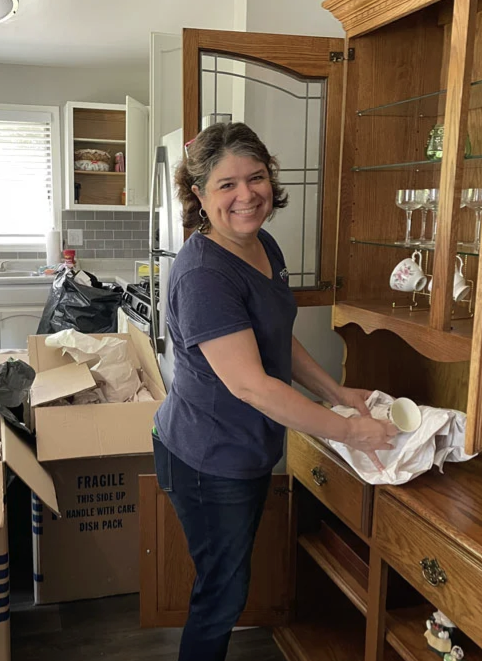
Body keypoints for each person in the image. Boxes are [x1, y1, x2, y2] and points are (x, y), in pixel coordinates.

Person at [153, 122, 397, 661]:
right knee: (222, 594)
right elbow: (250, 384)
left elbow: (273, 340)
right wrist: (350, 430)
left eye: (256, 177)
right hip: (207, 459)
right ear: (198, 195)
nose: (247, 195)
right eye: (226, 185)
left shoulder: (261, 243)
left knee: (225, 583)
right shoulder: (203, 276)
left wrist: (338, 392)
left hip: (242, 448)